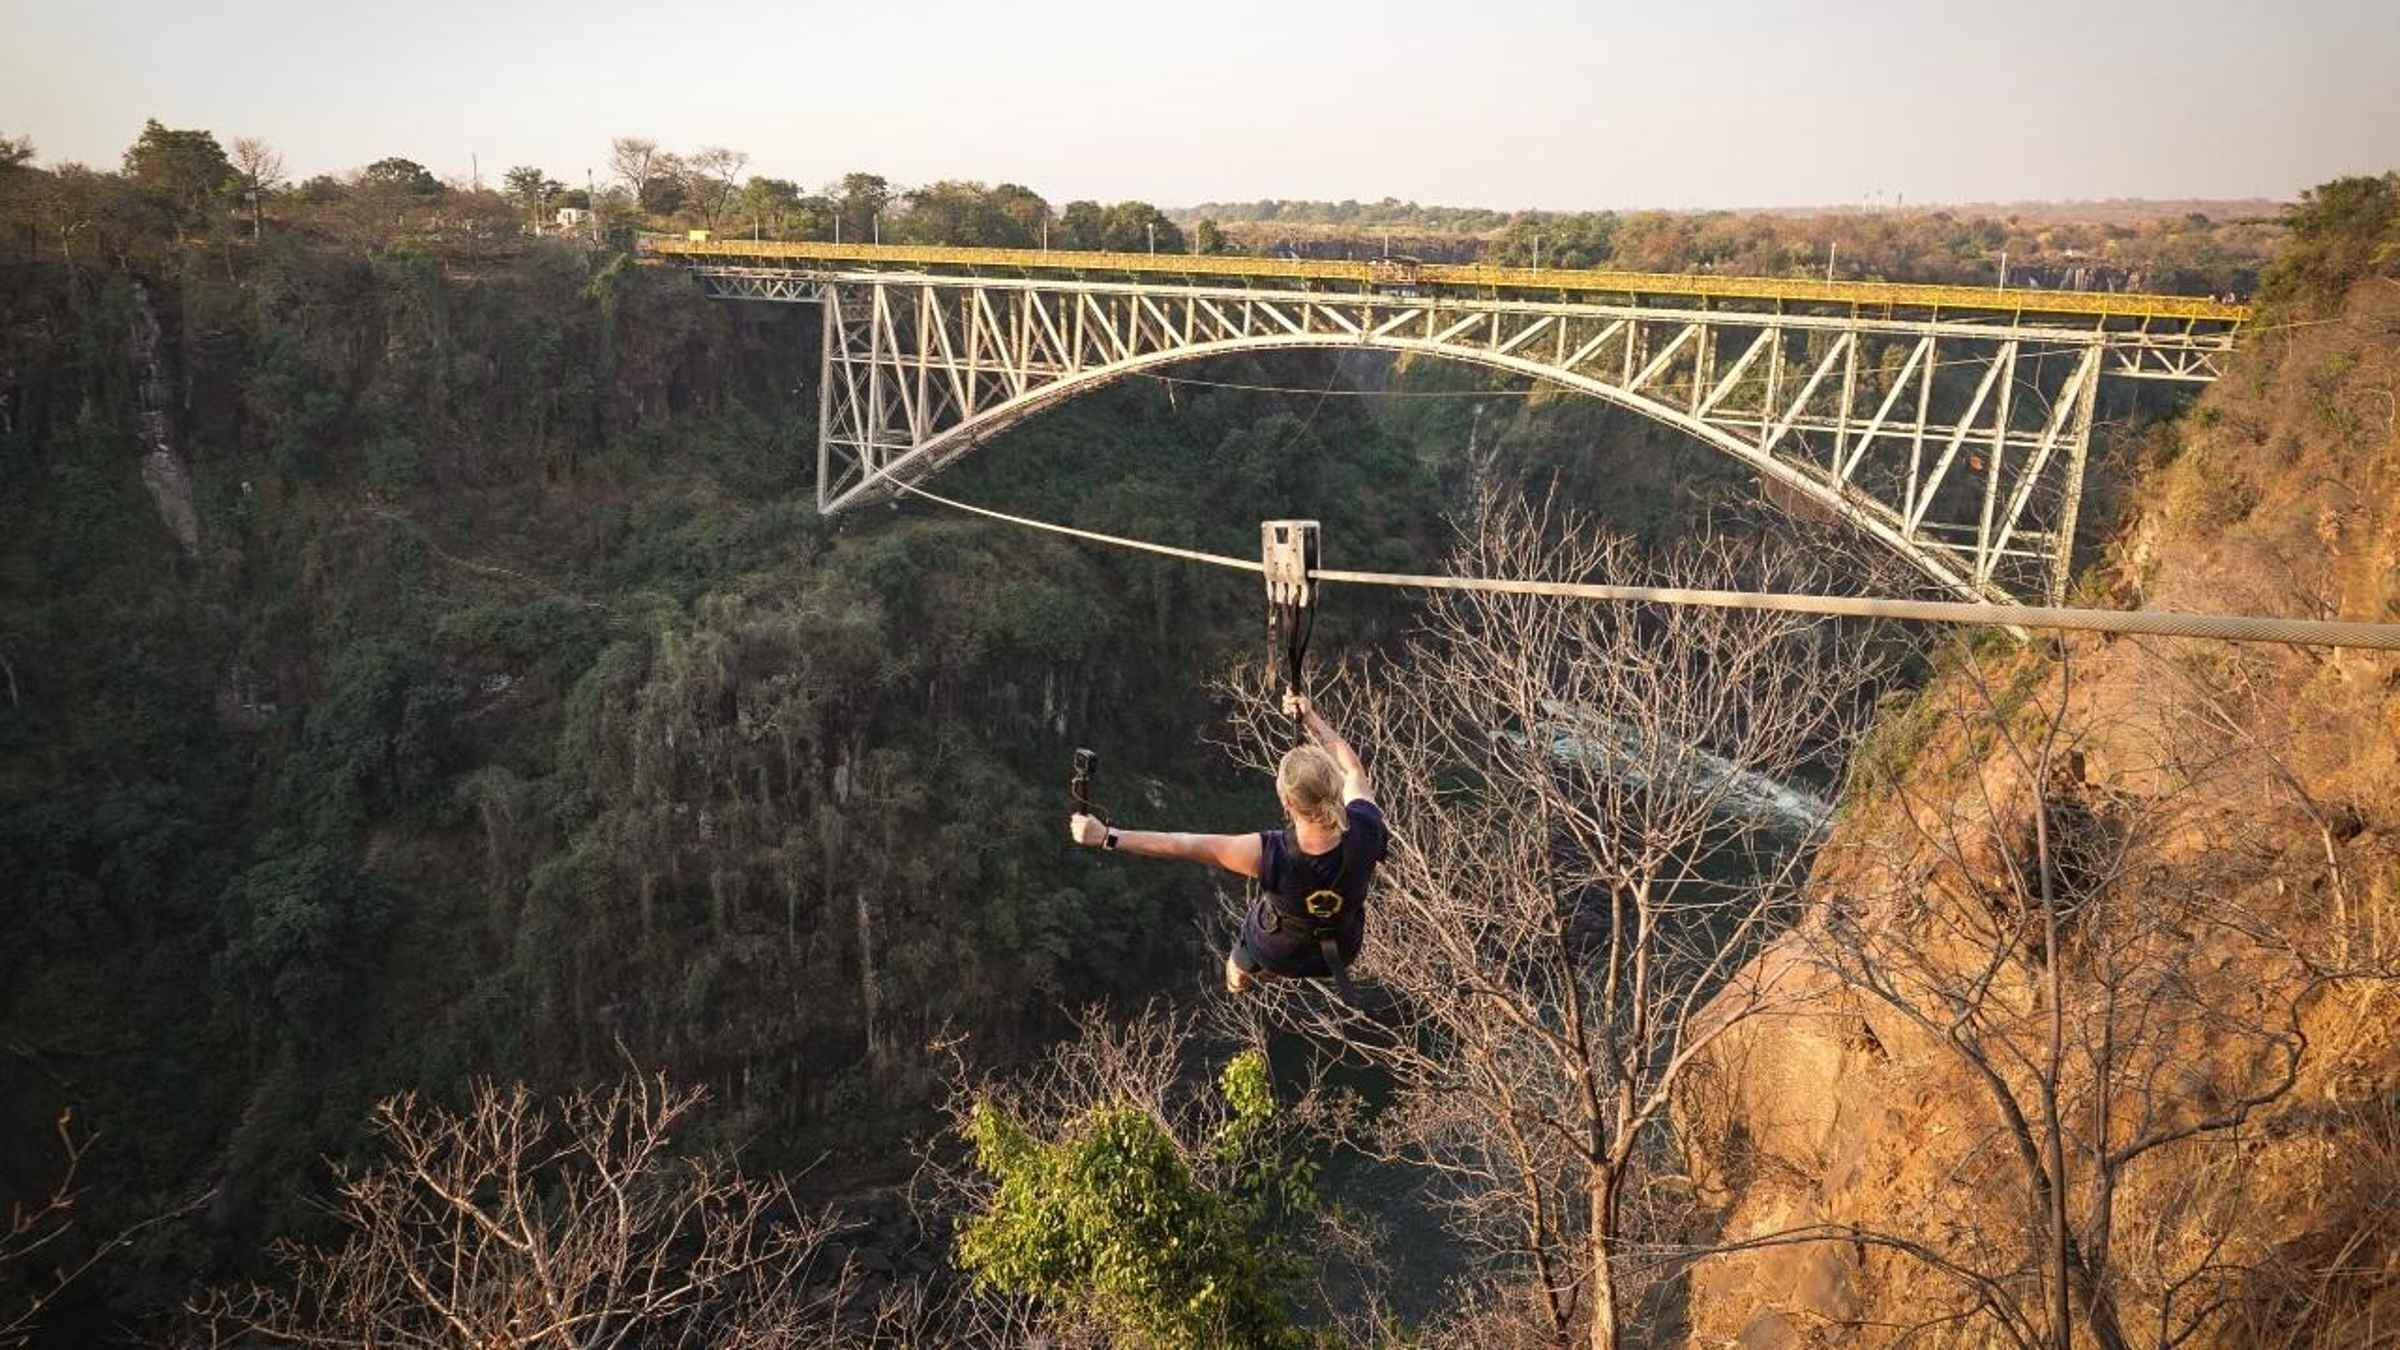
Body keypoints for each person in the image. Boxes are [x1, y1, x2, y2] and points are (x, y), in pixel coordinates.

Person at [1067, 695, 1388, 994]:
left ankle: (1241, 978)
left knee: (1238, 967)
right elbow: (1354, 770)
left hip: (1280, 952)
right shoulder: (1366, 827)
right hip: (1342, 949)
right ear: (1334, 789)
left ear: (1286, 801)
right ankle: (1264, 968)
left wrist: (1107, 836)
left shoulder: (1269, 853)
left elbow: (1182, 844)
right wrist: (1313, 720)